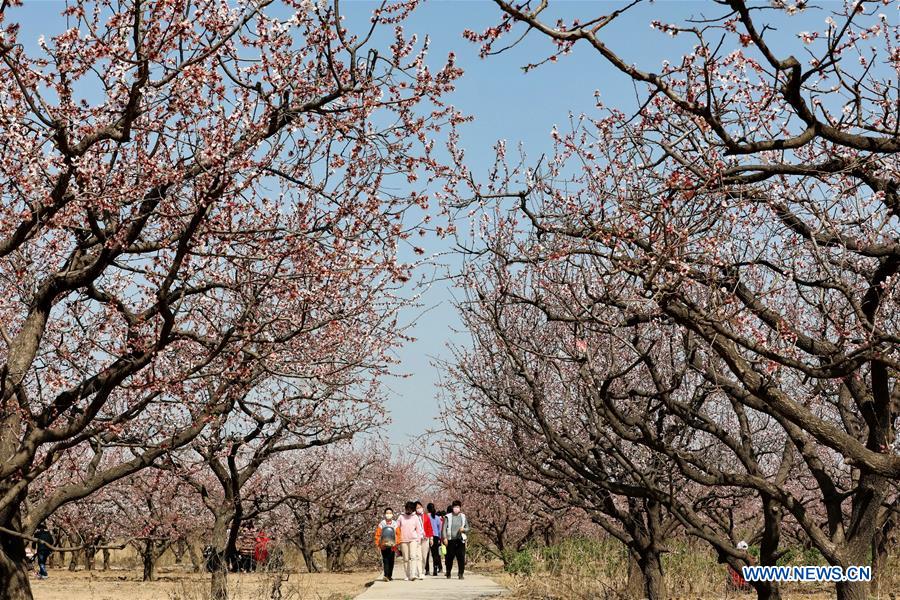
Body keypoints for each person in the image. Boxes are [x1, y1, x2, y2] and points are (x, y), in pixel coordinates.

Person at [397, 501, 424, 581]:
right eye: (407, 509)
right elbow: (396, 527)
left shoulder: (415, 517)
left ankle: (413, 574)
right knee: (405, 558)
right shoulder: (401, 517)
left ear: (413, 510)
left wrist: (418, 539)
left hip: (413, 539)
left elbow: (418, 529)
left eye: (410, 509)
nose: (408, 511)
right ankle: (407, 574)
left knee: (413, 556)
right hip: (403, 540)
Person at [442, 500, 469, 580]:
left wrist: (463, 529)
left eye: (457, 507)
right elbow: (444, 528)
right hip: (450, 539)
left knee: (461, 557)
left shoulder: (463, 517)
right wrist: (445, 538)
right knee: (449, 557)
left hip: (460, 540)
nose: (456, 508)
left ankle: (461, 573)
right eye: (455, 507)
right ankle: (448, 572)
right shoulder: (448, 516)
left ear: (460, 508)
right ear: (452, 507)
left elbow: (468, 528)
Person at [374, 507, 400, 581]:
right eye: (387, 513)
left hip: (393, 545)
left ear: (392, 514)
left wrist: (397, 543)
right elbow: (378, 535)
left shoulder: (395, 524)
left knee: (391, 560)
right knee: (385, 560)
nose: (388, 514)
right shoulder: (382, 524)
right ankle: (385, 575)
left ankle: (389, 575)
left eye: (390, 513)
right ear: (384, 514)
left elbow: (398, 534)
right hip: (384, 545)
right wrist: (378, 544)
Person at [415, 501, 434, 577]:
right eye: (417, 508)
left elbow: (429, 527)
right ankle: (417, 572)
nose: (418, 509)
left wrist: (431, 538)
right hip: (417, 538)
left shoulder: (426, 516)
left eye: (419, 507)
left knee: (424, 556)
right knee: (417, 555)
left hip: (425, 538)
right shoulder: (414, 517)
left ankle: (422, 571)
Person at [426, 504, 443, 576]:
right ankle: (435, 569)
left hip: (427, 536)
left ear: (427, 509)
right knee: (435, 554)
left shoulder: (425, 517)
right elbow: (440, 529)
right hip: (436, 536)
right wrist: (440, 538)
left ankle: (427, 570)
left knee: (426, 554)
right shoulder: (437, 518)